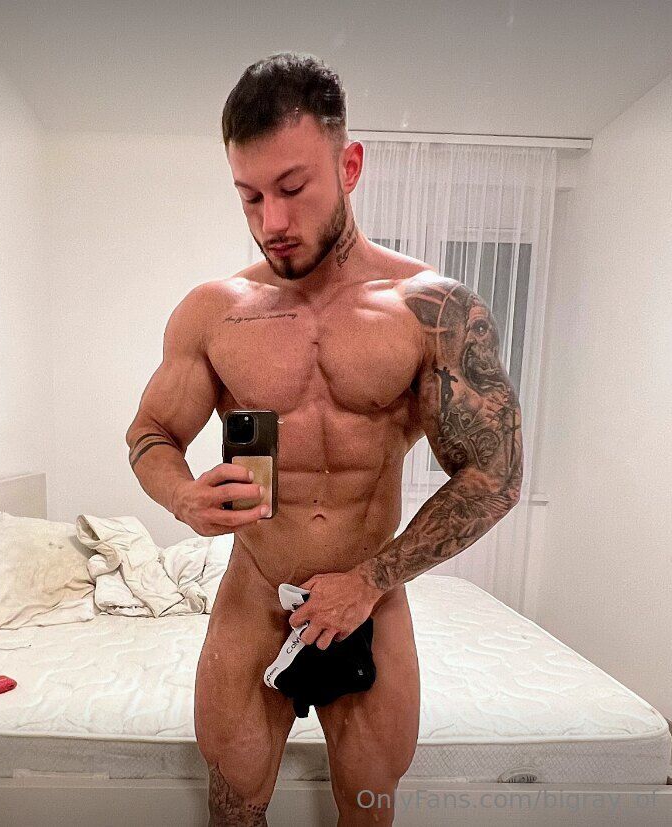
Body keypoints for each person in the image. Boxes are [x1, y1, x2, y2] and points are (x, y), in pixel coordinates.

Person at [125, 52, 524, 827]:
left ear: (348, 166)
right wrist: (180, 495)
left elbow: (495, 473)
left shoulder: (432, 310)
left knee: (367, 810)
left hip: (370, 596)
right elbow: (151, 432)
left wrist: (369, 580)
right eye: (249, 196)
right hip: (254, 593)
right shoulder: (213, 312)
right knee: (233, 809)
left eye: (292, 188)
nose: (270, 221)